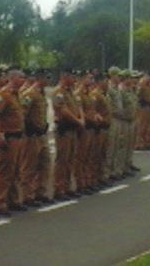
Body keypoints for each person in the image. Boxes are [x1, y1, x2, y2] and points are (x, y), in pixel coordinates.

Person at [0, 67, 27, 216]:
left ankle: (13, 200)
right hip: (8, 138)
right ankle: (0, 202)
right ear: (13, 78)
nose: (24, 80)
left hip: (17, 137)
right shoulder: (3, 94)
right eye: (22, 77)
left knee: (15, 171)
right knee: (4, 172)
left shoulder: (16, 95)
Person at [20, 69, 52, 206]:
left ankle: (41, 192)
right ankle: (28, 195)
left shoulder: (42, 94)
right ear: (40, 78)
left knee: (45, 163)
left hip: (42, 134)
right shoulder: (29, 94)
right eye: (47, 77)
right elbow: (22, 114)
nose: (49, 80)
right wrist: (30, 128)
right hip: (32, 135)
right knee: (30, 166)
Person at [52, 69, 84, 200]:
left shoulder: (71, 92)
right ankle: (59, 189)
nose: (75, 78)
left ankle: (67, 186)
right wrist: (78, 121)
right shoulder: (58, 92)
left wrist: (81, 119)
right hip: (64, 130)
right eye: (72, 76)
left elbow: (79, 107)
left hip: (73, 129)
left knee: (70, 159)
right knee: (62, 160)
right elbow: (63, 110)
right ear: (65, 77)